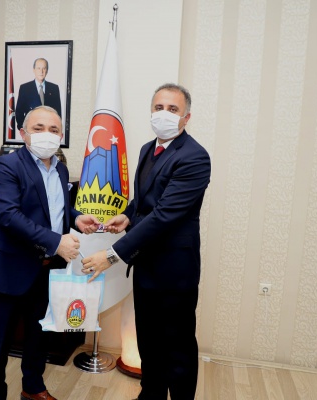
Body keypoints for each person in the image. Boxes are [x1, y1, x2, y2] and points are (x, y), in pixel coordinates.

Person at [81, 83, 211, 400]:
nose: (164, 114)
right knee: (149, 341)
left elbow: (165, 215)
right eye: (158, 107)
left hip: (174, 270)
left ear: (186, 117)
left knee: (177, 346)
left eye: (173, 109)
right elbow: (144, 202)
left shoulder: (194, 157)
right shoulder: (146, 150)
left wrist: (111, 255)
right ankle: (150, 394)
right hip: (146, 264)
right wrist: (127, 216)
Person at [0, 105, 101, 400]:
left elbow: (51, 209)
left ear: (61, 136)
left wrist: (76, 218)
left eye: (54, 130)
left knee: (39, 335)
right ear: (23, 133)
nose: (47, 134)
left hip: (46, 269)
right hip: (10, 267)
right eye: (38, 128)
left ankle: (33, 388)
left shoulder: (61, 168)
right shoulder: (6, 166)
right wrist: (57, 242)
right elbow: (9, 215)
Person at [15, 58, 62, 130]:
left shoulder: (54, 88)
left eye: (44, 68)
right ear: (34, 70)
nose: (41, 71)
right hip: (32, 130)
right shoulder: (25, 88)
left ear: (47, 70)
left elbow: (58, 113)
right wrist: (24, 129)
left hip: (48, 130)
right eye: (38, 68)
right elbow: (19, 112)